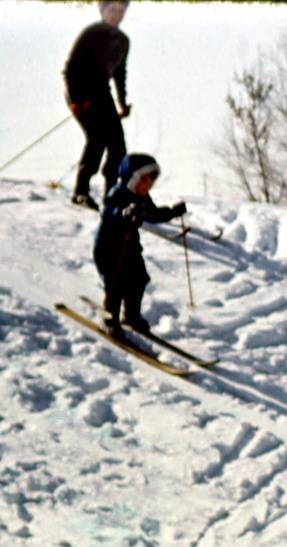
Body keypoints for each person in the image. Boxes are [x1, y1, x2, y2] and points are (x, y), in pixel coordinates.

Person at [93, 153, 186, 336]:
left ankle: (131, 315)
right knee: (115, 283)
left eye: (151, 182)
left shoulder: (142, 198)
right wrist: (124, 213)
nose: (147, 186)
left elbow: (153, 215)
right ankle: (109, 317)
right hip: (109, 249)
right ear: (132, 178)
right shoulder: (117, 193)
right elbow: (109, 213)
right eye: (144, 181)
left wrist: (173, 212)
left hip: (129, 248)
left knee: (138, 279)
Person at [63, 0, 132, 210]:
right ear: (102, 10)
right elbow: (70, 68)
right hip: (81, 92)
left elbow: (119, 73)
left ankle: (111, 194)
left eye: (121, 11)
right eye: (113, 10)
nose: (117, 14)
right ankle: (81, 192)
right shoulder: (91, 33)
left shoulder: (123, 40)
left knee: (118, 145)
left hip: (103, 93)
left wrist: (122, 102)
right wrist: (76, 100)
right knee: (97, 138)